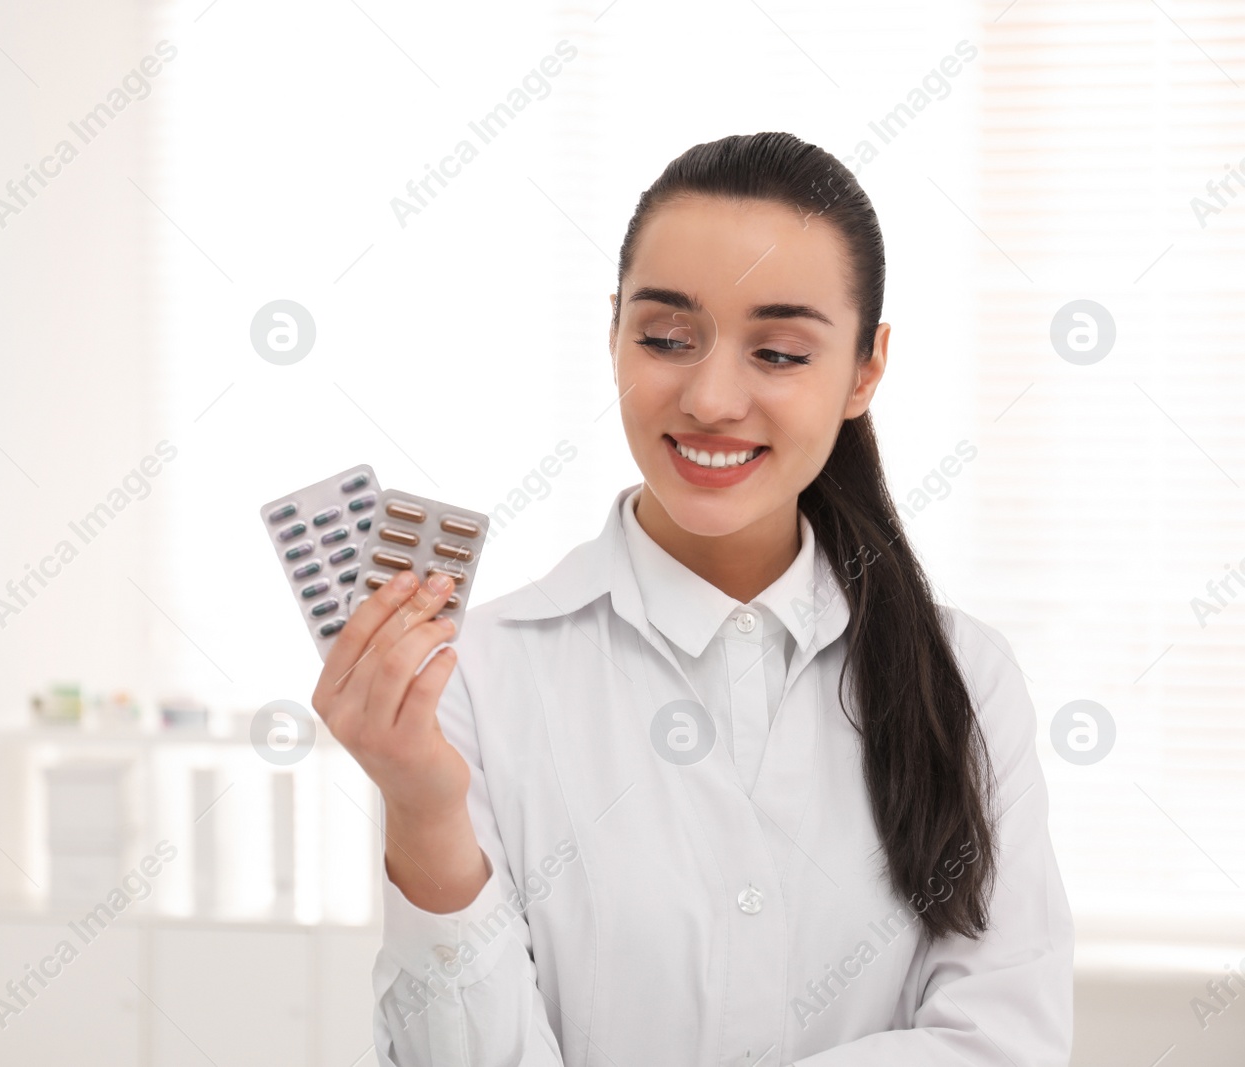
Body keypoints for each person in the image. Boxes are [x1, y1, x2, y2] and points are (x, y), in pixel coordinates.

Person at [311, 131, 1073, 1066]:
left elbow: (1003, 1041)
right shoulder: (473, 681)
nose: (711, 397)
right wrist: (422, 808)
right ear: (614, 332)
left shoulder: (968, 682)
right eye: (666, 339)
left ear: (865, 370)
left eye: (781, 353)